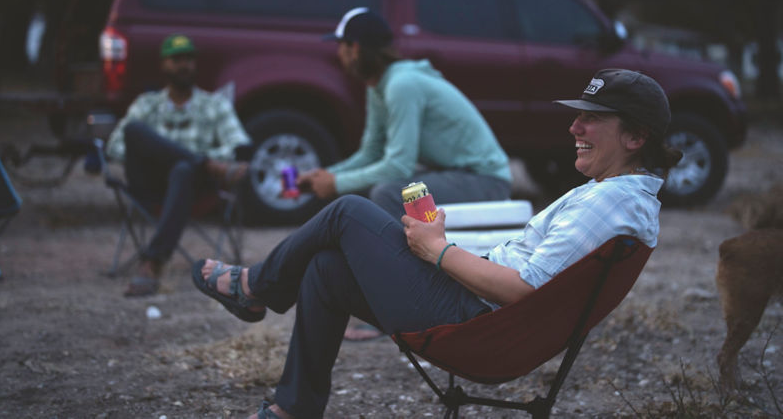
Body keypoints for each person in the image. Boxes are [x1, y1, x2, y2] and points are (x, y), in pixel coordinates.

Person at [192, 68, 681, 419]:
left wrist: (438, 250)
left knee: (348, 212)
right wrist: (439, 248)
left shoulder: (610, 204)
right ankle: (294, 406)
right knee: (325, 268)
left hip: (480, 326)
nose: (575, 127)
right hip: (484, 319)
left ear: (636, 136)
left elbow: (526, 288)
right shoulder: (621, 197)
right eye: (578, 116)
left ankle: (255, 288)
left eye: (592, 119)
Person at [297, 7, 513, 220]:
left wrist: (336, 183)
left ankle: (401, 255)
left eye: (340, 45)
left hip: (485, 180)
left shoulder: (402, 85)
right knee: (360, 192)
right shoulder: (378, 86)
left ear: (354, 48)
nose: (338, 53)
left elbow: (399, 166)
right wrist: (324, 175)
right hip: (453, 175)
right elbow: (370, 153)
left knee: (389, 194)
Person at [106, 33, 251, 297]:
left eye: (188, 59)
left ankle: (152, 262)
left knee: (182, 169)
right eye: (176, 60)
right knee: (136, 130)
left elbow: (238, 146)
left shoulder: (213, 104)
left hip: (194, 186)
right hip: (148, 184)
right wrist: (203, 159)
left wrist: (188, 159)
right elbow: (115, 146)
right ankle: (201, 162)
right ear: (164, 65)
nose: (183, 65)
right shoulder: (147, 104)